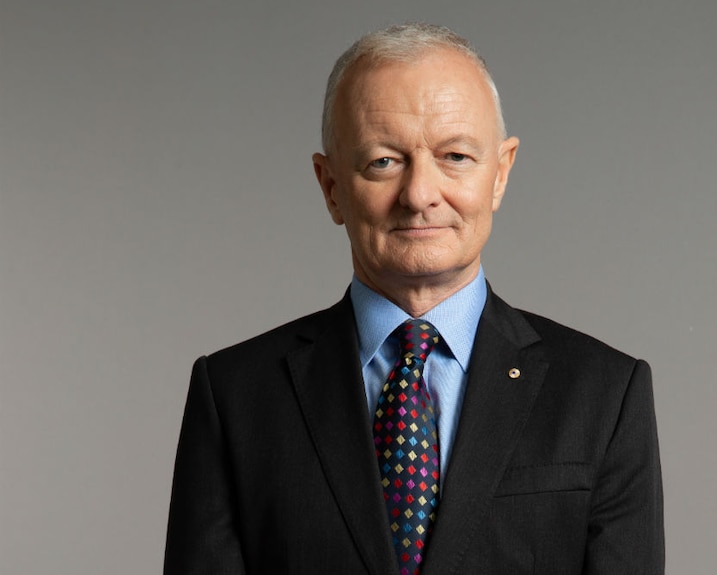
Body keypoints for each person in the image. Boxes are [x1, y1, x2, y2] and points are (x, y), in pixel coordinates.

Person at [164, 22, 664, 575]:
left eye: (455, 156)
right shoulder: (234, 397)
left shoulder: (605, 396)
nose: (420, 194)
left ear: (500, 174)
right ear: (330, 186)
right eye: (384, 161)